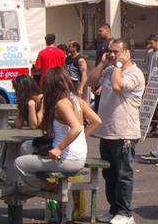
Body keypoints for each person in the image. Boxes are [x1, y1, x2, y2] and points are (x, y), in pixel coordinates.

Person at [6, 66, 100, 205]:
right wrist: (80, 141)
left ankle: (47, 186)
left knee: (19, 164)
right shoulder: (76, 100)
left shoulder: (62, 104)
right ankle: (42, 181)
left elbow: (75, 128)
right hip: (77, 155)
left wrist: (59, 148)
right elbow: (96, 121)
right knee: (26, 146)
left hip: (67, 159)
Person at [86, 37, 144, 224]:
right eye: (109, 51)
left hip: (125, 132)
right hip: (107, 131)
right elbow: (91, 82)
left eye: (116, 52)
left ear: (127, 53)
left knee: (123, 174)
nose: (111, 55)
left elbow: (118, 87)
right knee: (109, 174)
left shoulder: (134, 73)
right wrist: (103, 64)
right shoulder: (110, 69)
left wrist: (118, 64)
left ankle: (125, 212)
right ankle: (113, 209)